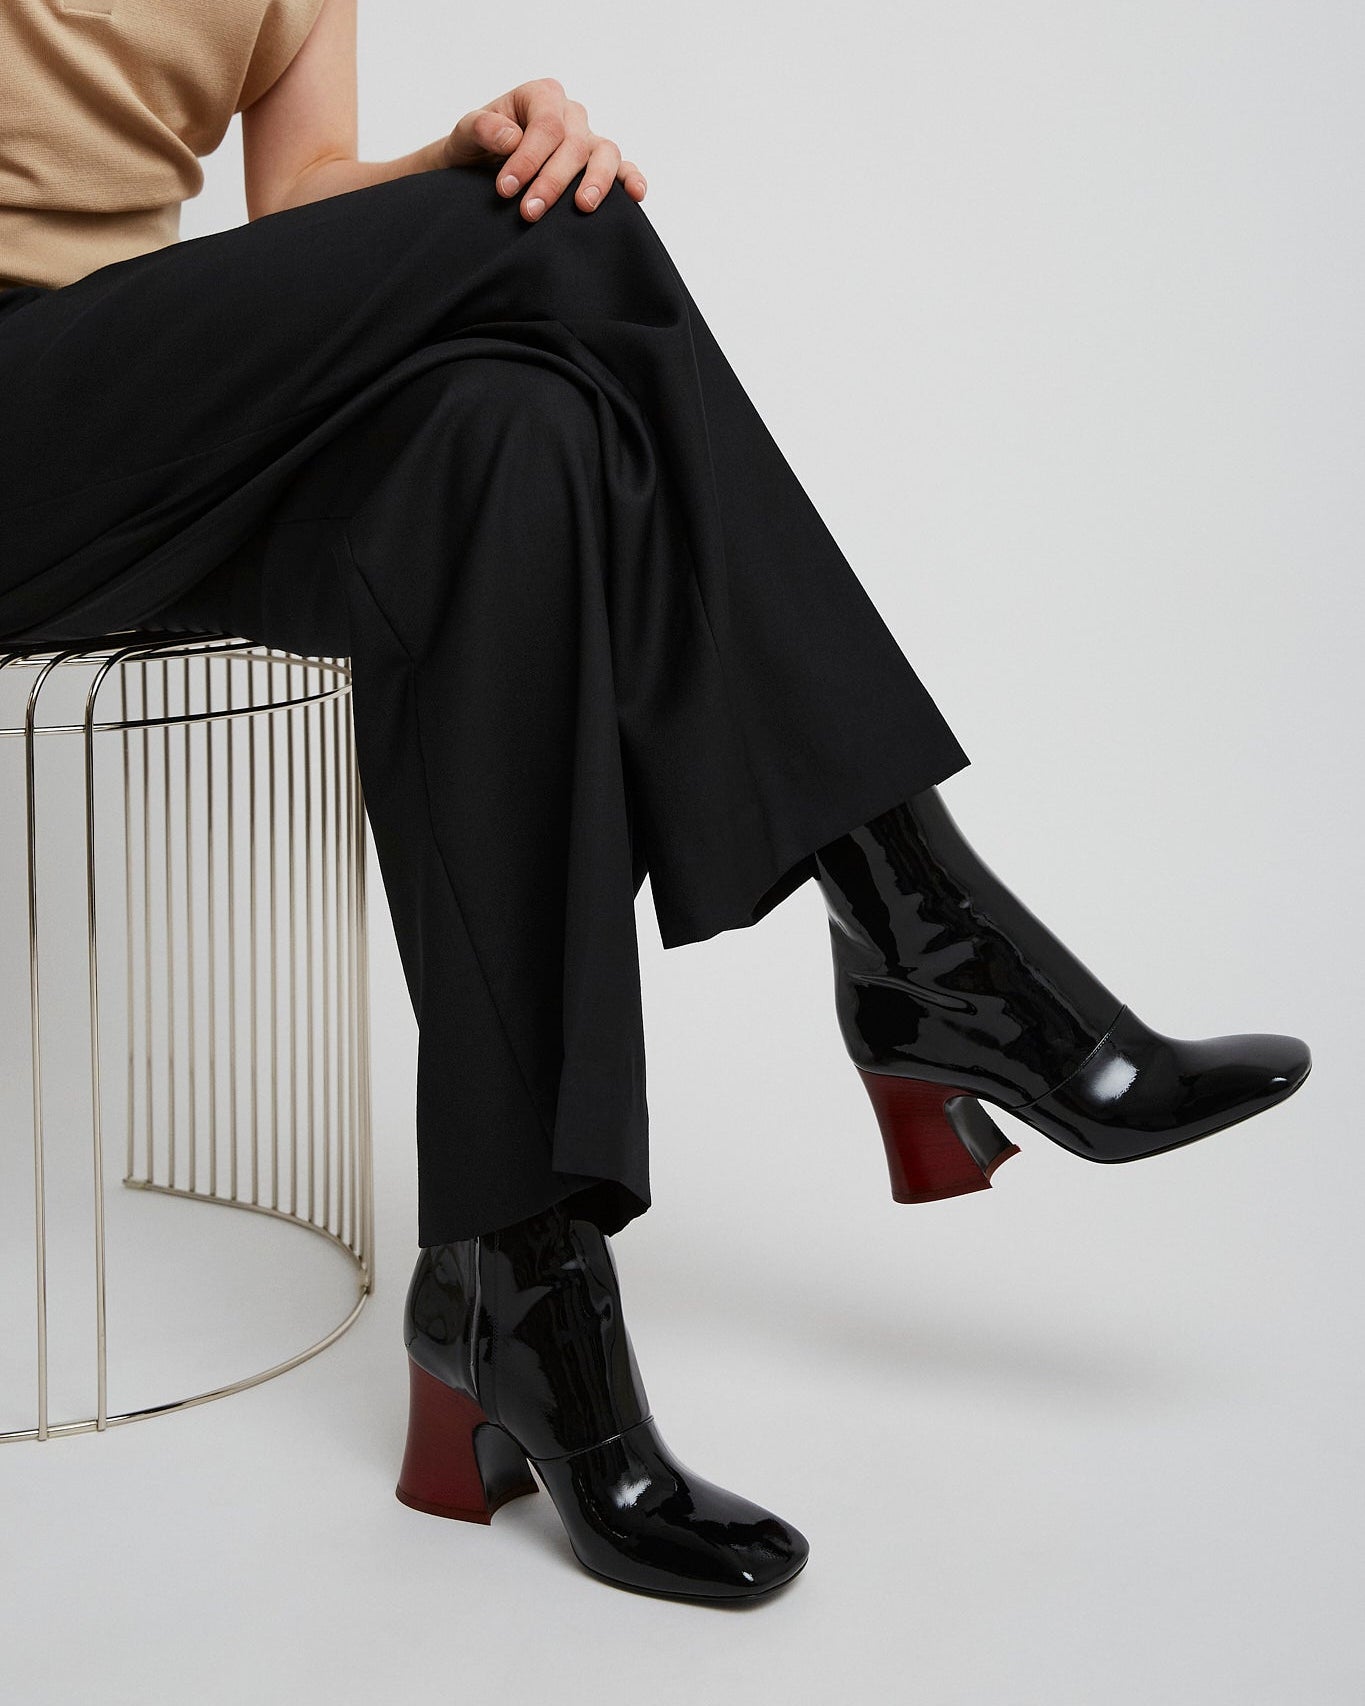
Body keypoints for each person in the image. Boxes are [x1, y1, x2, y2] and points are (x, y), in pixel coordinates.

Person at [0, 0, 1310, 1604]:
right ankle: (930, 938)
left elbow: (297, 203)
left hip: (139, 444)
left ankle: (516, 1273)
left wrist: (445, 161)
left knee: (513, 435)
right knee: (550, 239)